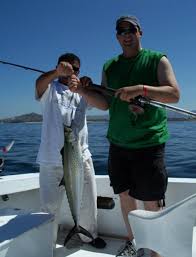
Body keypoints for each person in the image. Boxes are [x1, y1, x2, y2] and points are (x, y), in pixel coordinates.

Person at [74, 15, 180, 257]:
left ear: (140, 32)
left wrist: (141, 89)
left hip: (149, 142)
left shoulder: (157, 59)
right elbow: (104, 104)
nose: (126, 34)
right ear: (117, 36)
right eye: (120, 31)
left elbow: (173, 94)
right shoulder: (110, 66)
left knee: (151, 201)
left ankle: (154, 250)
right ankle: (133, 242)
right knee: (125, 195)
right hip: (118, 143)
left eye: (130, 29)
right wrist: (83, 90)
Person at [35, 53, 108, 249]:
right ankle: (46, 243)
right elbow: (39, 84)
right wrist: (55, 72)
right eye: (67, 67)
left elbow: (104, 105)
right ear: (59, 66)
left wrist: (84, 89)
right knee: (49, 206)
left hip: (80, 157)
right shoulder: (50, 88)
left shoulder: (82, 92)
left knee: (88, 202)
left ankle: (88, 235)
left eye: (76, 68)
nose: (72, 71)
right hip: (51, 160)